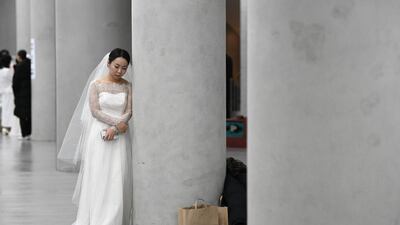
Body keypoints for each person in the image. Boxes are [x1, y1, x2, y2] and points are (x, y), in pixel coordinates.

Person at [58, 48, 134, 225]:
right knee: (99, 175)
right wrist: (115, 124)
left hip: (120, 136)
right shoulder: (96, 84)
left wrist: (115, 128)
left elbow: (129, 111)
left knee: (117, 176)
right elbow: (95, 111)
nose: (120, 71)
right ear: (108, 64)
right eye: (116, 66)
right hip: (99, 135)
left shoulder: (127, 86)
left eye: (124, 68)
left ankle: (114, 219)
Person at [12, 50, 31, 140]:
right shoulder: (30, 64)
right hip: (30, 92)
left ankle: (24, 134)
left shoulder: (19, 67)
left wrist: (15, 94)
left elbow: (15, 83)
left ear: (19, 56)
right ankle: (29, 132)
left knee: (22, 114)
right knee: (29, 113)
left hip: (21, 93)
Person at [0, 54, 15, 134]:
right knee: (10, 110)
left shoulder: (1, 71)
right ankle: (9, 126)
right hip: (10, 93)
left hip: (3, 93)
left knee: (5, 110)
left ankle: (4, 126)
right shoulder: (9, 71)